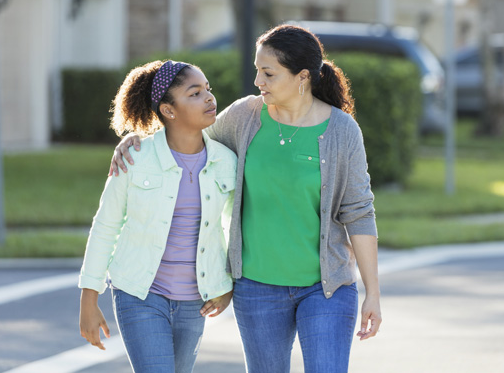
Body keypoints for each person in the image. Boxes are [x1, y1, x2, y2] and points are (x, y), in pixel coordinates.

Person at [111, 24, 382, 373]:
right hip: (257, 289)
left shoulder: (342, 130)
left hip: (326, 288)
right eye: (258, 71)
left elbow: (358, 211)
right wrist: (139, 141)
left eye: (268, 73)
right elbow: (187, 139)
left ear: (302, 77)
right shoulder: (245, 117)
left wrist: (372, 292)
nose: (258, 81)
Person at [79, 60, 236, 373]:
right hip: (139, 294)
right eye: (195, 93)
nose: (209, 97)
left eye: (208, 89)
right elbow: (106, 226)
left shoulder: (226, 161)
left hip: (195, 301)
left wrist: (226, 285)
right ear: (168, 110)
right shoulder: (134, 158)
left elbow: (234, 228)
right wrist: (88, 299)